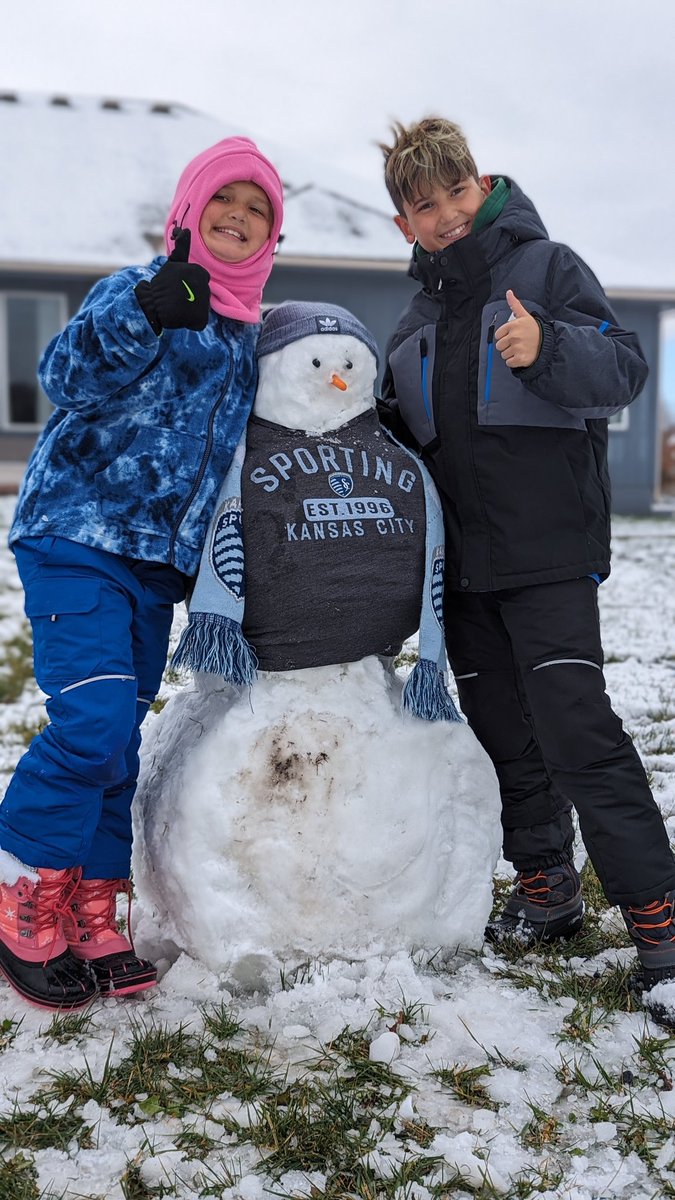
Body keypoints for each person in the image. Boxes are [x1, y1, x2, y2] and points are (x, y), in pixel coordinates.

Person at [377, 116, 675, 1024]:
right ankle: (546, 886)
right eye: (423, 206)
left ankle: (659, 925)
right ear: (403, 222)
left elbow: (622, 368)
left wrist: (548, 349)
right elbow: (397, 434)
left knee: (574, 725)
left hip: (546, 556)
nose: (445, 217)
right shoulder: (414, 320)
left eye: (455, 194)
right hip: (464, 573)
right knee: (503, 731)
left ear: (482, 184)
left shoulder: (547, 269)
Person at [0, 136, 284, 1010]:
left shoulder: (250, 335)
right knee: (88, 727)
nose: (236, 220)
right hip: (77, 534)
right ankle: (19, 892)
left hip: (155, 568)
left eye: (257, 211)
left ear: (271, 236)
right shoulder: (138, 290)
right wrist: (148, 313)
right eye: (221, 203)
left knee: (116, 743)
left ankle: (90, 907)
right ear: (187, 214)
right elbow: (64, 375)